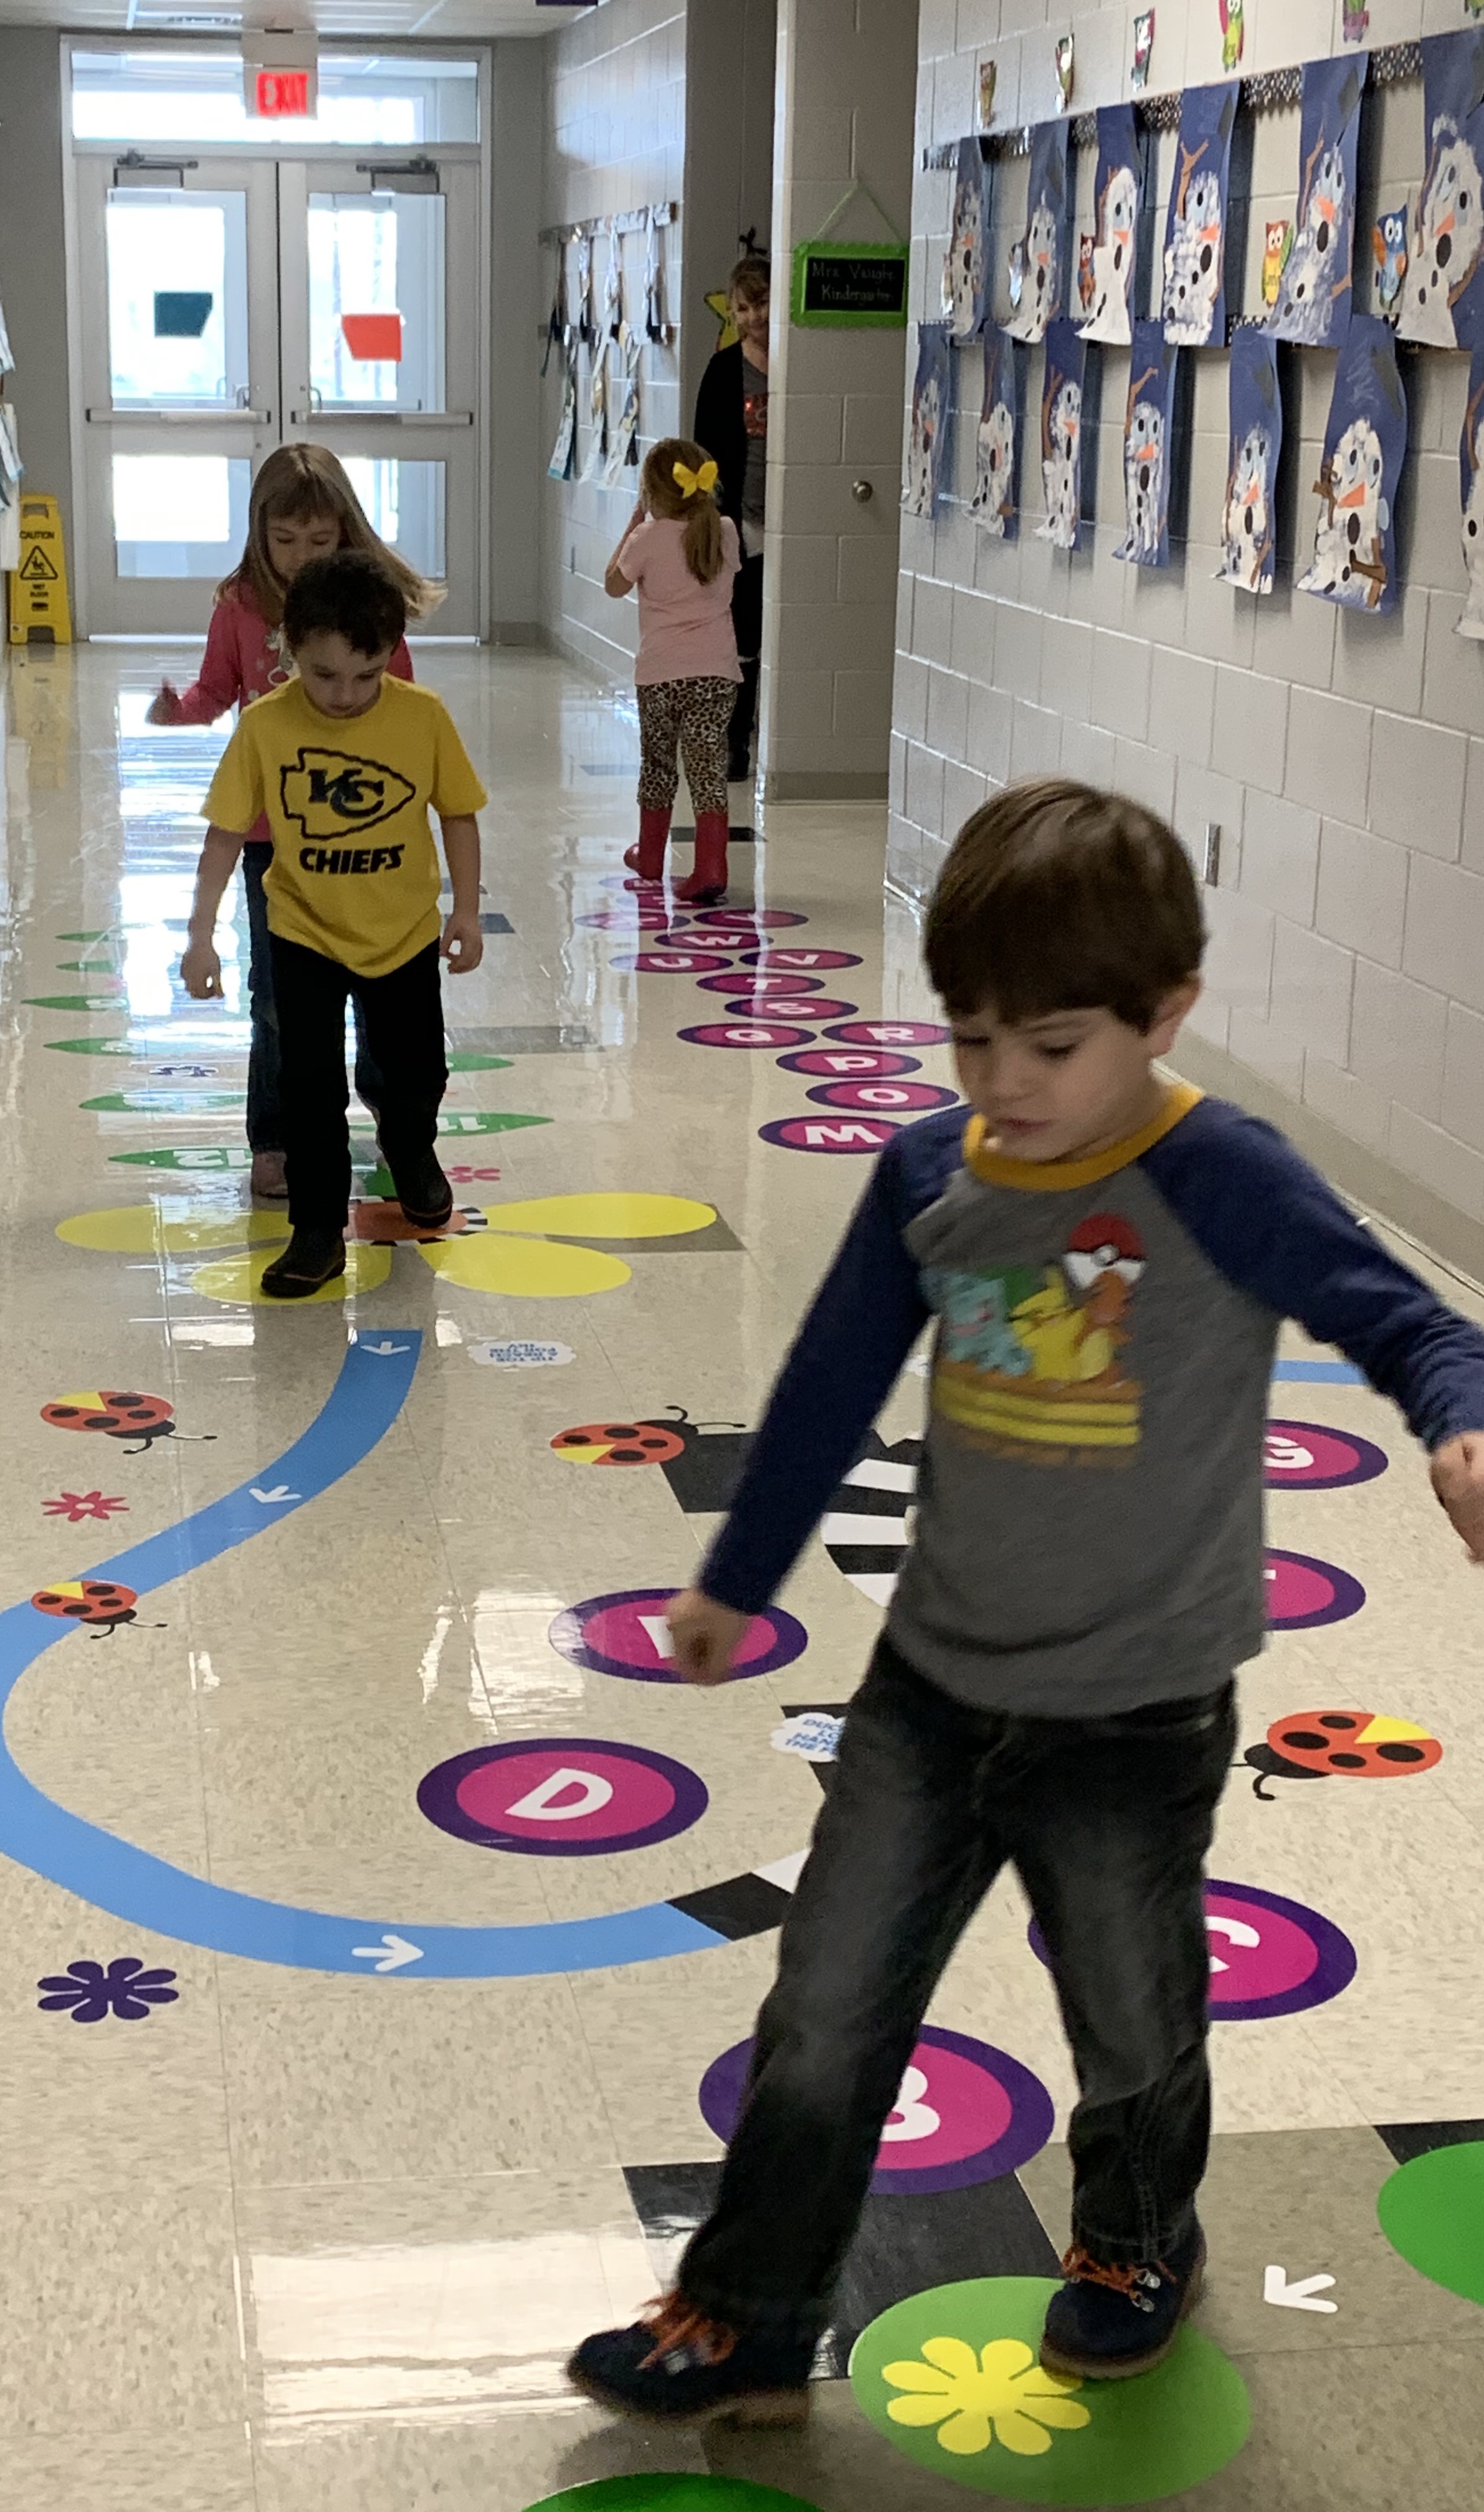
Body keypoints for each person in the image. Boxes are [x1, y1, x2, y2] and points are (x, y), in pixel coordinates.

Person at [568, 778, 1484, 2426]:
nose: (1005, 1084)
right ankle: (751, 2314)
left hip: (1136, 1711)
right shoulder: (935, 1172)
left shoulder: (1224, 1176)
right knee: (827, 2009)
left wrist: (1461, 1420)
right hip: (932, 1686)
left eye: (1052, 1046)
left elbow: (1410, 1319)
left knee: (1133, 2014)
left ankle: (1135, 2244)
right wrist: (738, 1578)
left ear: (1165, 1014)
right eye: (972, 1038)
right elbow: (833, 1379)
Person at [179, 551, 486, 1300]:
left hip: (403, 934)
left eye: (366, 675)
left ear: (390, 658)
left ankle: (412, 1152)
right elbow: (224, 835)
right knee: (307, 1086)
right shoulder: (265, 727)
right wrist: (200, 934)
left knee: (416, 1072)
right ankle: (316, 1230)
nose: (345, 695)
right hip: (303, 931)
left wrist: (467, 909)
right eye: (323, 676)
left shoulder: (422, 718)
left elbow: (458, 813)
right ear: (286, 650)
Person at [149, 444, 435, 1201]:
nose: (302, 558)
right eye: (285, 542)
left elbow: (398, 715)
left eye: (320, 541)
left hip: (362, 844)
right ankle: (275, 1136)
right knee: (277, 998)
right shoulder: (240, 607)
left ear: (346, 533)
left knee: (380, 987)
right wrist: (181, 711)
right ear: (259, 535)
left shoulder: (368, 606)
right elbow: (220, 688)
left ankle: (389, 1110)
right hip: (271, 845)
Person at [603, 438, 741, 905]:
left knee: (659, 766)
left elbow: (612, 585)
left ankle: (651, 856)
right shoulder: (724, 531)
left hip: (662, 675)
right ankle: (711, 865)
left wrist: (634, 522)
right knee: (708, 769)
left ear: (651, 493)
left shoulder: (648, 538)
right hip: (718, 674)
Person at [692, 250, 771, 785]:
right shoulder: (724, 371)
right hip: (741, 519)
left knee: (777, 632)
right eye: (742, 309)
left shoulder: (804, 363)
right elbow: (703, 449)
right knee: (740, 637)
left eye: (760, 304)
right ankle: (735, 741)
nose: (752, 319)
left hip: (790, 516)